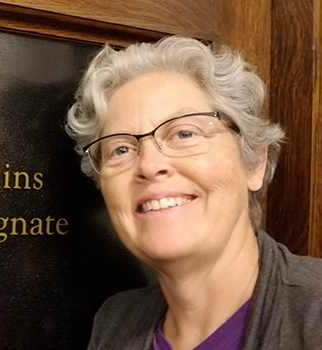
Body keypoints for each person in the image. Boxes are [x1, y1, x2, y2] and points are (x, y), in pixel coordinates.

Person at [65, 36, 322, 349]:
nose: (149, 164)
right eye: (120, 149)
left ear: (253, 162)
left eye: (184, 133)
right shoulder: (115, 324)